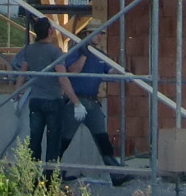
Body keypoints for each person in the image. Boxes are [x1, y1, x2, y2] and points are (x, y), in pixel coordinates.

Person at [54, 43, 128, 184]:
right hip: (75, 101)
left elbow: (110, 70)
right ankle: (51, 172)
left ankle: (116, 175)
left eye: (101, 33)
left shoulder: (100, 54)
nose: (100, 36)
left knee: (102, 139)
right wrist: (84, 54)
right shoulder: (75, 52)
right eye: (97, 33)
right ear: (87, 34)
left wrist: (123, 72)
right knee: (64, 139)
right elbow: (73, 70)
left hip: (92, 102)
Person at [12, 18, 74, 177]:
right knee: (53, 141)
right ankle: (49, 178)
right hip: (53, 100)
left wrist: (15, 96)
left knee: (34, 140)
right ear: (49, 31)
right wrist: (76, 101)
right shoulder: (55, 51)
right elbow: (62, 78)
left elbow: (22, 74)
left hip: (36, 100)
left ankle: (32, 176)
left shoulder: (29, 50)